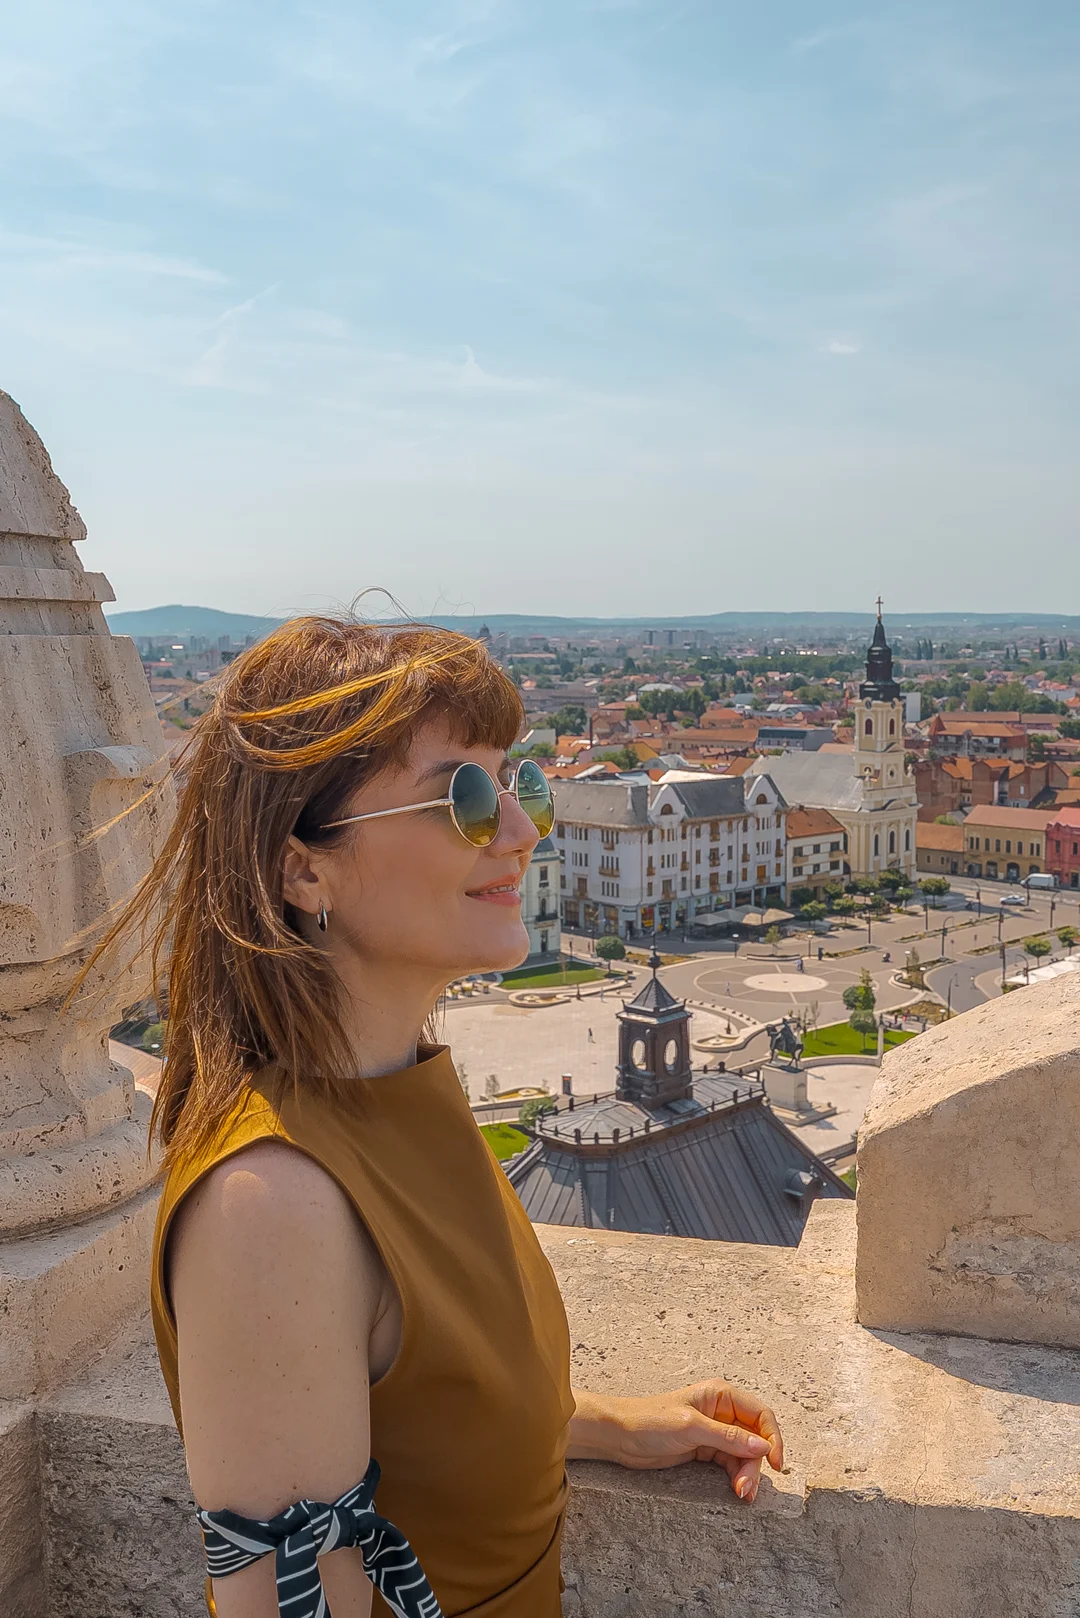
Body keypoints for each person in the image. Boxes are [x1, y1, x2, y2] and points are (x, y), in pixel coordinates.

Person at [88, 617, 783, 1618]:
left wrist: (601, 1426)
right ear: (304, 869)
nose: (522, 832)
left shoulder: (398, 1088)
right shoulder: (272, 1207)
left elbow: (423, 1410)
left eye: (517, 784)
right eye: (465, 798)